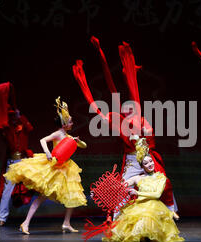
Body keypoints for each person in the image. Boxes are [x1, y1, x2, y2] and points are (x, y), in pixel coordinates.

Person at [73, 38, 178, 217]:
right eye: (126, 110)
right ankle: (116, 217)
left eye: (132, 109)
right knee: (123, 186)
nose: (129, 111)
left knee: (163, 183)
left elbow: (150, 134)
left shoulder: (142, 120)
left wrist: (143, 132)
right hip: (131, 160)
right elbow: (105, 115)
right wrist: (99, 50)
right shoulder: (120, 122)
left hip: (146, 159)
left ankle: (171, 212)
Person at [4, 97, 87, 234]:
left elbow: (84, 146)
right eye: (70, 121)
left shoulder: (68, 136)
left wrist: (77, 140)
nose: (72, 123)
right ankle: (25, 223)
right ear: (64, 124)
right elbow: (43, 140)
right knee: (42, 197)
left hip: (65, 168)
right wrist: (48, 152)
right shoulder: (58, 133)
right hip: (54, 168)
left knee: (73, 195)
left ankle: (66, 223)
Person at [102, 138, 184, 242]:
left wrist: (137, 193)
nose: (150, 164)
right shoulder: (138, 178)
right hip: (139, 205)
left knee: (148, 217)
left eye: (151, 161)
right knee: (133, 224)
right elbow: (121, 186)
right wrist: (102, 190)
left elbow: (157, 194)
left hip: (154, 207)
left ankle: (148, 236)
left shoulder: (161, 178)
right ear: (142, 166)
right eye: (146, 163)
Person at [0, 82, 34, 226]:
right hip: (13, 163)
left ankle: (30, 218)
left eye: (14, 115)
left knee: (39, 184)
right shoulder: (6, 129)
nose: (13, 117)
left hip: (25, 161)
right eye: (10, 115)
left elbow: (30, 127)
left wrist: (21, 117)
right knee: (7, 190)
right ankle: (2, 218)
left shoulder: (23, 125)